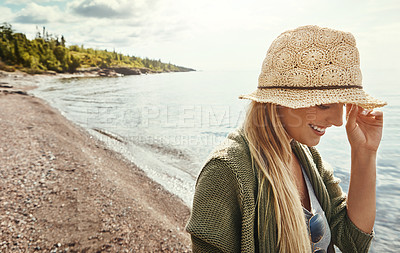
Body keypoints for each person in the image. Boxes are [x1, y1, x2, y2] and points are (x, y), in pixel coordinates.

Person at [186, 25, 386, 253]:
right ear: (279, 102)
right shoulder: (224, 172)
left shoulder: (307, 156)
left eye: (342, 104)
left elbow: (352, 241)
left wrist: (364, 152)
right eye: (323, 104)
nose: (339, 121)